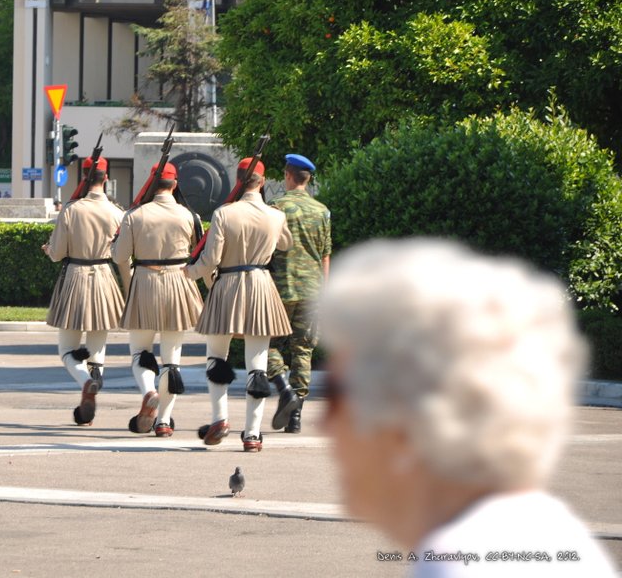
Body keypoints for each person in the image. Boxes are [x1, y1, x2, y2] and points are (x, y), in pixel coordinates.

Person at [317, 238, 615, 576]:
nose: (321, 425)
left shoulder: (455, 562)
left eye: (334, 395)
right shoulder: (558, 537)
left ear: (406, 421)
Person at [184, 158, 293, 452]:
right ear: (262, 179)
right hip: (260, 284)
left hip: (228, 285)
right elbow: (286, 244)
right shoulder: (275, 215)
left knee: (216, 357)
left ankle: (220, 419)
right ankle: (253, 433)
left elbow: (211, 259)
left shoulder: (224, 213)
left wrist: (189, 273)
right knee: (257, 364)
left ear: (237, 179)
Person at [112, 162, 204, 437]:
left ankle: (149, 390)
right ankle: (164, 420)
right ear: (175, 185)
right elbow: (198, 253)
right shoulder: (190, 215)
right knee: (172, 359)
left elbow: (119, 257)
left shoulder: (134, 215)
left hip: (145, 280)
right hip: (178, 281)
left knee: (140, 351)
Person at [43, 156, 125, 426]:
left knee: (67, 349)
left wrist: (48, 249)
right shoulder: (117, 212)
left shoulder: (71, 209)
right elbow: (122, 255)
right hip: (104, 276)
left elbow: (57, 254)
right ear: (106, 178)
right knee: (97, 347)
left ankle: (85, 380)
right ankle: (92, 382)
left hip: (76, 275)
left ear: (84, 177)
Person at [267, 153, 331, 434]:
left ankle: (284, 390)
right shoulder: (322, 211)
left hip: (280, 287)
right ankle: (296, 417)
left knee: (265, 345)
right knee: (302, 349)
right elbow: (325, 255)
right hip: (312, 288)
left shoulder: (276, 207)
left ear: (288, 175)